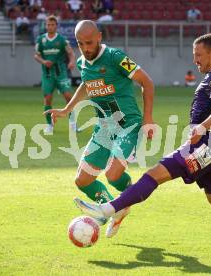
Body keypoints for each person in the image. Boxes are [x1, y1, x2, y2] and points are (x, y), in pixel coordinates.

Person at [74, 33, 211, 248]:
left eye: (198, 55)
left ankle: (107, 209)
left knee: (153, 176)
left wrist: (202, 127)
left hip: (203, 145)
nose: (195, 60)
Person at [45, 20, 155, 238]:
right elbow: (86, 84)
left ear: (99, 37)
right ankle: (113, 209)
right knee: (82, 181)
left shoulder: (116, 57)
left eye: (89, 42)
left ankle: (125, 199)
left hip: (128, 124)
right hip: (103, 127)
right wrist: (67, 109)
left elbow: (147, 82)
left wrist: (148, 119)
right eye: (80, 43)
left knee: (113, 176)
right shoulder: (82, 63)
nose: (85, 48)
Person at [34, 16, 76, 134]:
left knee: (68, 97)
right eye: (48, 24)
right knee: (47, 99)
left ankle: (73, 124)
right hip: (47, 75)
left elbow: (71, 53)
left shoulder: (62, 40)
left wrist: (72, 61)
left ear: (56, 26)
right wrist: (43, 61)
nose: (50, 26)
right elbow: (36, 55)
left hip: (61, 73)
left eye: (52, 24)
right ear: (45, 26)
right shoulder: (40, 40)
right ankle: (49, 125)